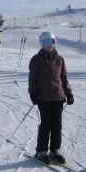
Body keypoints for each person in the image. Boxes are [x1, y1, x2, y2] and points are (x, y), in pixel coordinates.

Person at [28, 31, 74, 164]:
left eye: (51, 42)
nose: (49, 45)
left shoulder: (60, 59)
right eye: (45, 43)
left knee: (57, 125)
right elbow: (32, 78)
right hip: (43, 97)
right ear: (41, 44)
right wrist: (33, 93)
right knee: (46, 124)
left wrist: (68, 92)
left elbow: (64, 78)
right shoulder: (36, 60)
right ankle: (41, 150)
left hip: (58, 97)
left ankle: (55, 149)